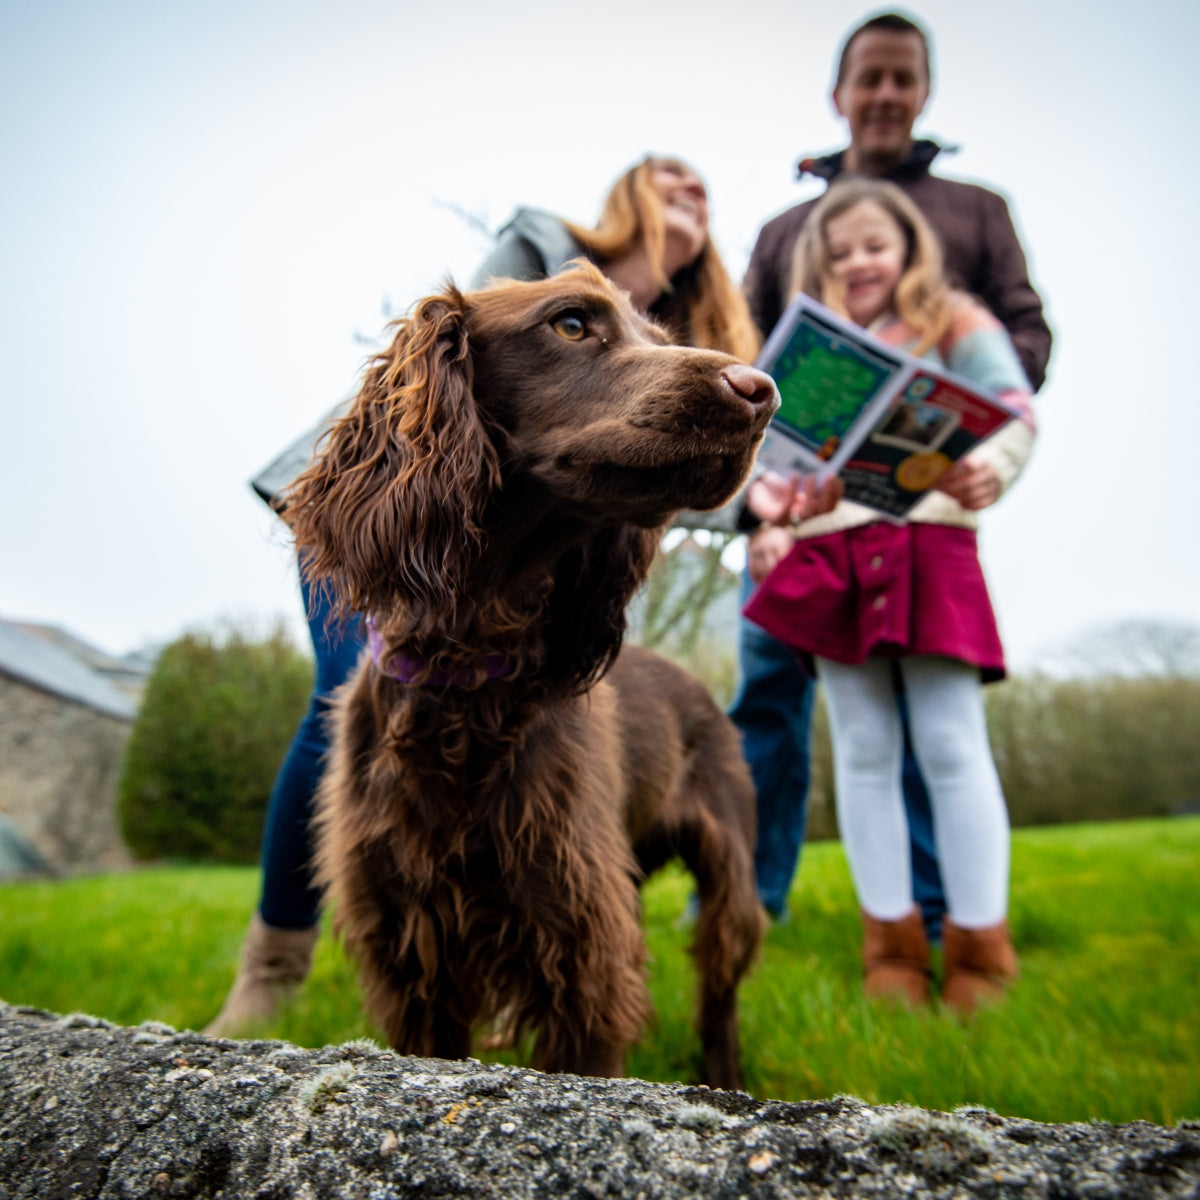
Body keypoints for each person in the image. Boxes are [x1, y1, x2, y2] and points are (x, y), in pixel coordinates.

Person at [204, 154, 760, 1037]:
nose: (694, 196)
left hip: (529, 612)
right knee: (350, 704)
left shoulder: (680, 332)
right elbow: (440, 395)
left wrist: (763, 496)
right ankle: (273, 966)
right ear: (628, 199)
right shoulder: (545, 248)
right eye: (671, 182)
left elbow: (643, 460)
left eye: (708, 189)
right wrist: (579, 317)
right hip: (386, 520)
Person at [735, 10, 1052, 930]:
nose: (883, 94)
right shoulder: (782, 231)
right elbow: (759, 375)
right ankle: (823, 921)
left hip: (933, 522)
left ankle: (965, 924)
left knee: (947, 740)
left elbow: (1022, 347)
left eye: (900, 77)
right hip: (821, 533)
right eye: (866, 78)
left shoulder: (974, 217)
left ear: (920, 91)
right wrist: (770, 513)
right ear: (839, 94)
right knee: (839, 733)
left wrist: (970, 443)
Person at [743, 176, 1036, 1012]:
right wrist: (770, 516)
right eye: (838, 254)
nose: (859, 261)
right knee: (864, 751)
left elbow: (1014, 408)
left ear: (907, 246)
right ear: (816, 266)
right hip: (828, 553)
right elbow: (773, 465)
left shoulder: (955, 319)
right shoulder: (804, 354)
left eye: (874, 245)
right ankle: (891, 949)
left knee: (950, 742)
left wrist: (993, 465)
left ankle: (982, 952)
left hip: (931, 543)